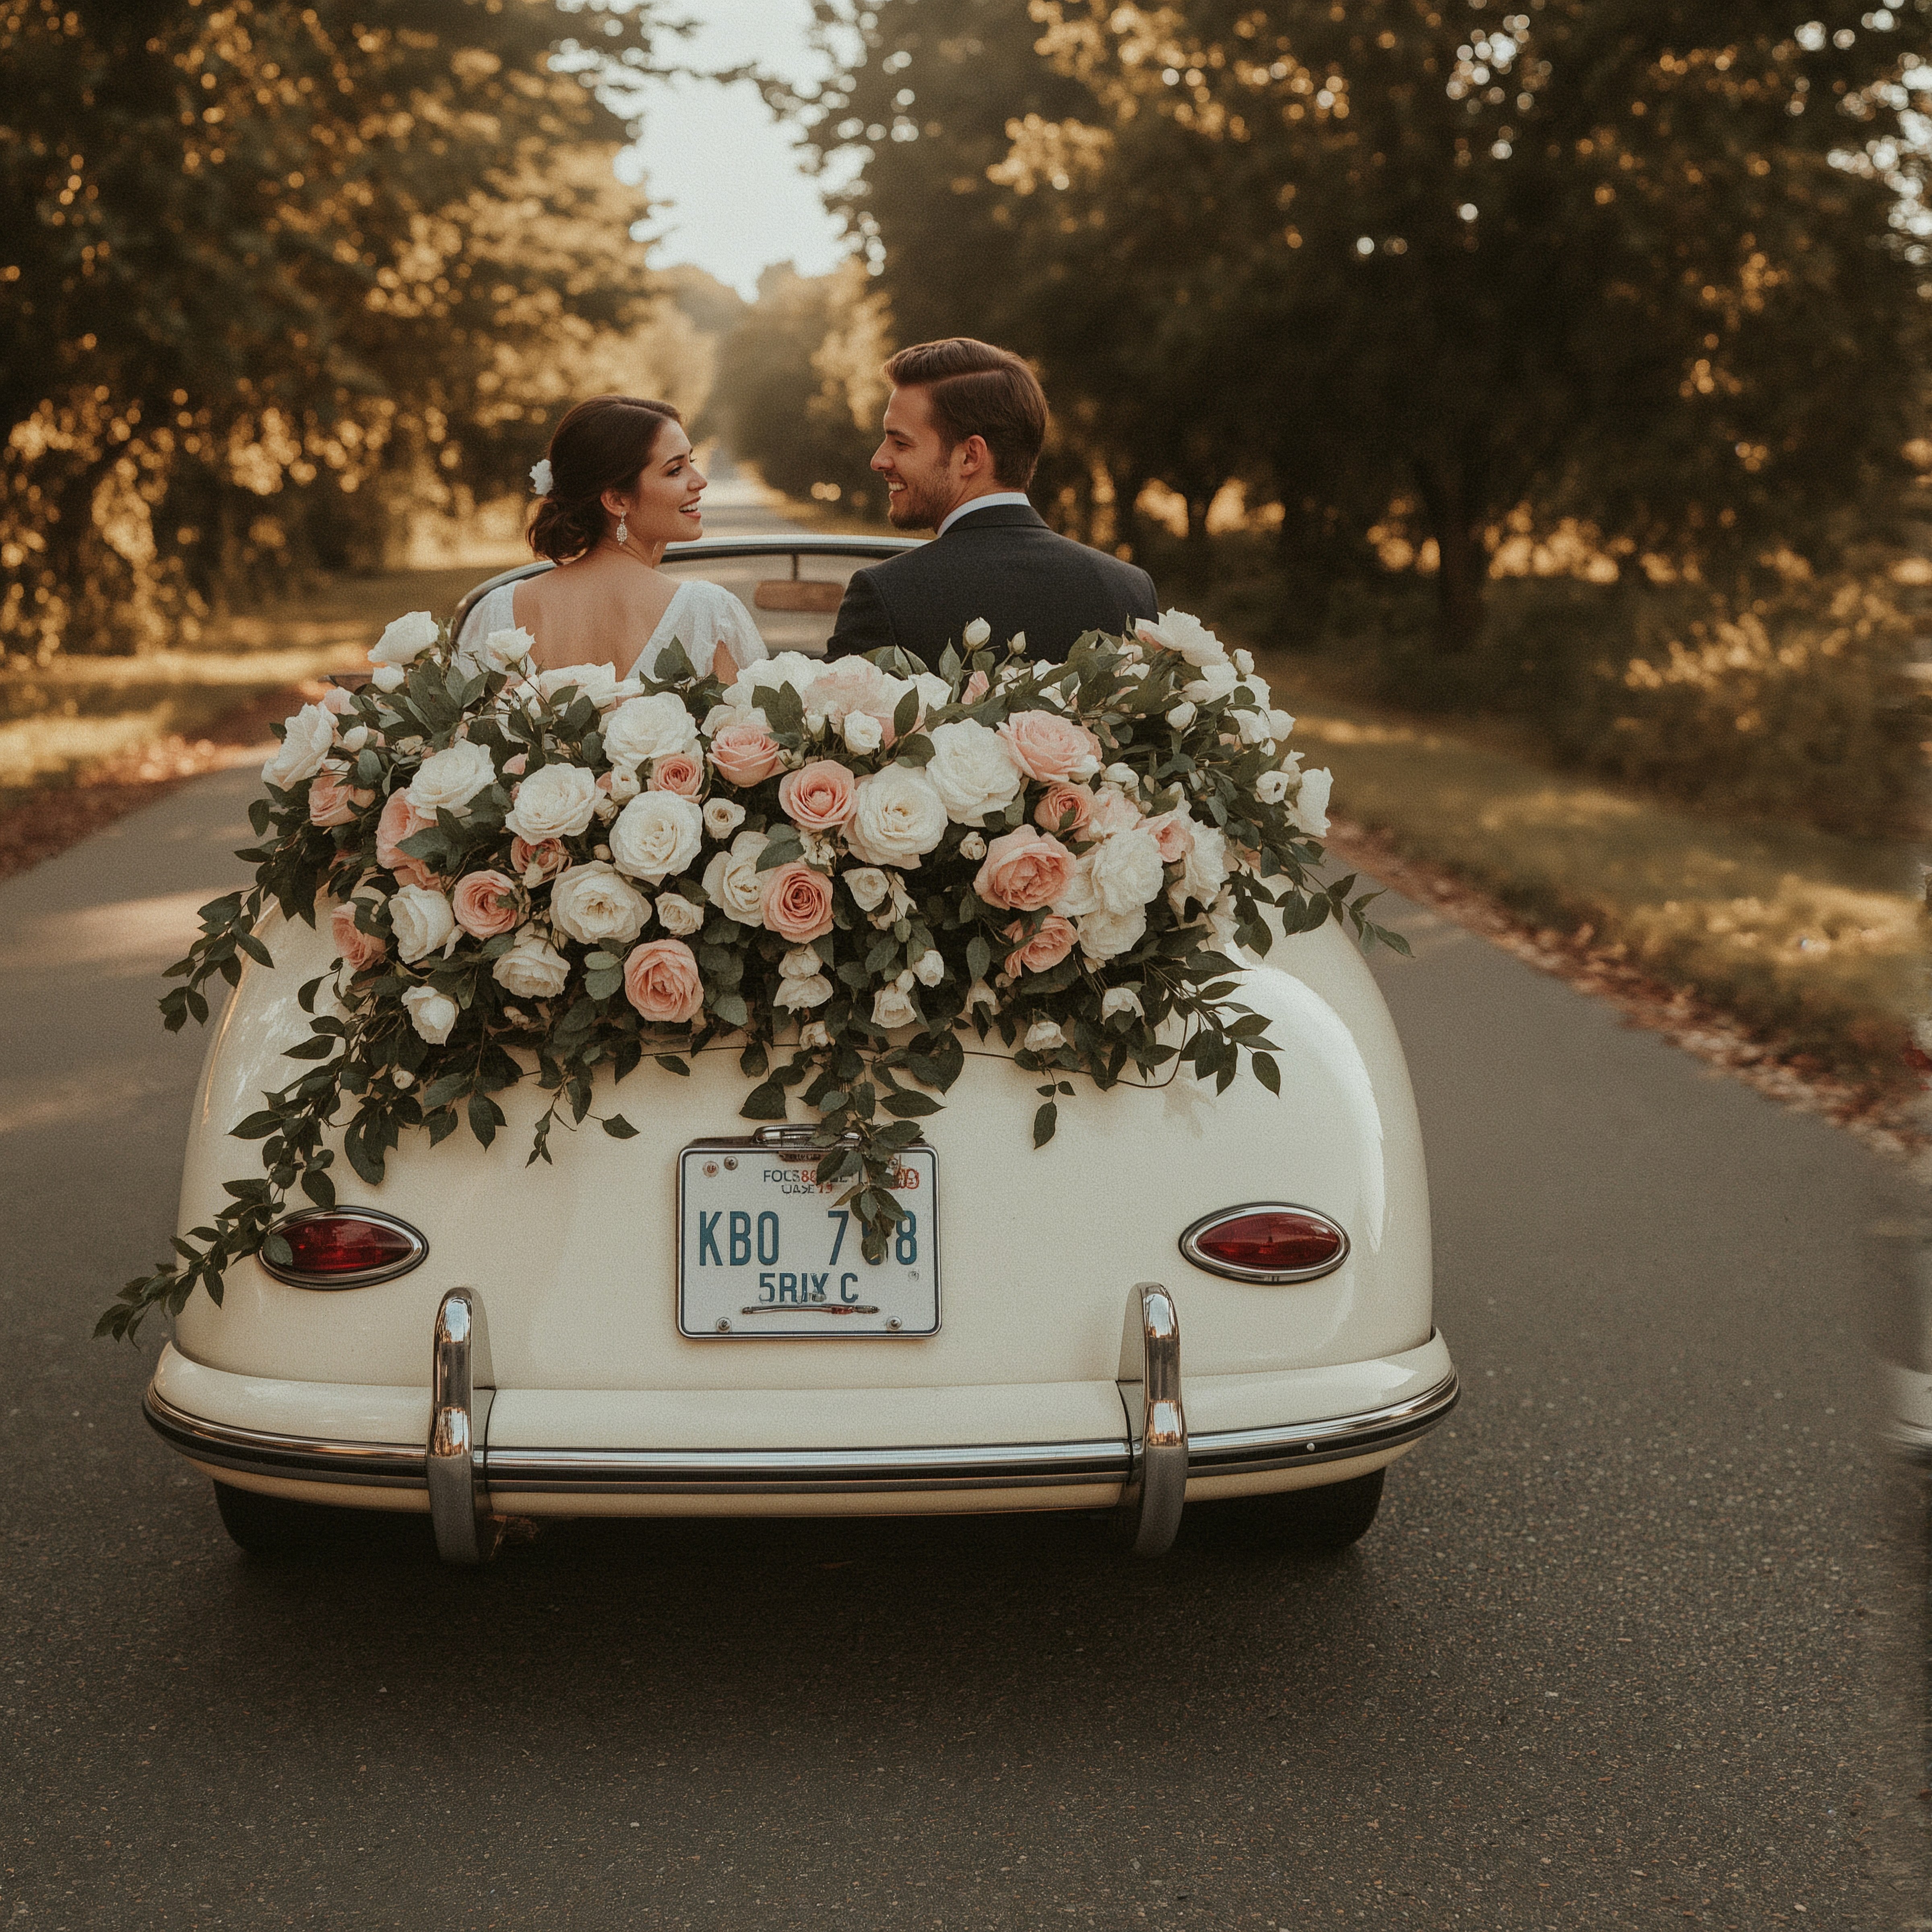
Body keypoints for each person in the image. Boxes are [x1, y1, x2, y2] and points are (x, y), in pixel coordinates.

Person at [824, 338, 1156, 664]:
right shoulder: (1129, 589)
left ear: (970, 456)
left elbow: (834, 717)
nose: (879, 460)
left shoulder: (885, 595)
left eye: (900, 443)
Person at [459, 395, 767, 682]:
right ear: (618, 501)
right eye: (675, 470)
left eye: (692, 462)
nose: (700, 481)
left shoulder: (494, 614)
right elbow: (751, 732)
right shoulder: (708, 617)